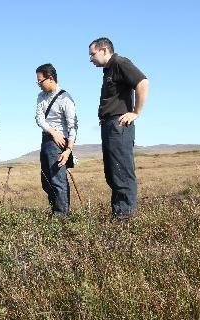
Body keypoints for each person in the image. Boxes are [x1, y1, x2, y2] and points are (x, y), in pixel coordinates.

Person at [88, 37, 149, 220]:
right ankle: (119, 214)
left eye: (92, 54)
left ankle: (124, 219)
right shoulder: (109, 70)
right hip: (109, 125)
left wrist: (136, 112)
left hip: (119, 125)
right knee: (113, 172)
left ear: (104, 50)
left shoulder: (120, 63)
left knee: (121, 171)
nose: (90, 58)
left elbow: (143, 82)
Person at [35, 63, 78, 217]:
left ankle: (61, 216)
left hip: (59, 144)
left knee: (57, 180)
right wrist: (52, 132)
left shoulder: (65, 98)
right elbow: (39, 118)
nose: (39, 85)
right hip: (47, 139)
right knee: (46, 181)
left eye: (40, 81)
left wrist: (68, 151)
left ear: (51, 78)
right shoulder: (41, 97)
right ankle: (56, 211)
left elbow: (73, 126)